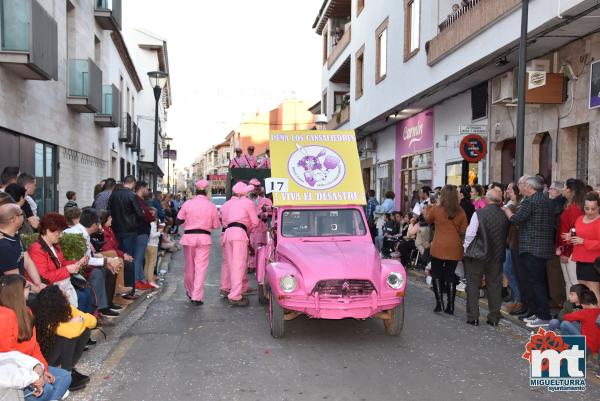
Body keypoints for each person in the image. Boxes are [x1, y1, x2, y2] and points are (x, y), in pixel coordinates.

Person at [0, 275, 72, 401]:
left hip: (33, 367)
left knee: (65, 376)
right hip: (16, 374)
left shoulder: (26, 312)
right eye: (27, 287)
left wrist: (42, 368)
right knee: (48, 389)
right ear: (17, 293)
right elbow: (9, 358)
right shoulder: (3, 316)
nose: (30, 289)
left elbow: (35, 346)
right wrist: (34, 375)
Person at [504, 175, 555, 328]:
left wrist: (507, 211)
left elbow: (516, 220)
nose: (522, 187)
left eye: (525, 185)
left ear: (531, 187)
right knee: (537, 282)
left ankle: (543, 315)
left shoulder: (531, 201)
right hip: (542, 247)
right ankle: (537, 312)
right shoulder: (546, 200)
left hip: (531, 248)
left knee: (535, 282)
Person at [30, 285, 96, 391]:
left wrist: (81, 319)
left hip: (57, 354)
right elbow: (70, 332)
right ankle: (66, 374)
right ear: (57, 301)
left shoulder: (66, 307)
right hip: (45, 360)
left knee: (85, 331)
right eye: (63, 293)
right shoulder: (44, 318)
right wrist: (77, 321)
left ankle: (69, 369)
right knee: (66, 338)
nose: (67, 294)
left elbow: (93, 322)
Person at [463, 187, 509, 326]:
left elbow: (470, 233)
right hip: (496, 255)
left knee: (473, 285)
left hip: (478, 254)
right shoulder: (504, 215)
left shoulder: (479, 213)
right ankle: (494, 317)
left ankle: (473, 317)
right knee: (494, 285)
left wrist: (466, 248)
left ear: (487, 199)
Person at [64, 208, 120, 320]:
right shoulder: (80, 234)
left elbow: (88, 257)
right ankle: (98, 311)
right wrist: (106, 261)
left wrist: (106, 262)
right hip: (73, 269)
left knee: (107, 270)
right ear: (95, 224)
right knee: (98, 273)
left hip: (79, 266)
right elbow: (86, 259)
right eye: (98, 222)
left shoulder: (82, 232)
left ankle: (106, 305)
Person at [27, 213, 88, 309]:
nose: (60, 235)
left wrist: (77, 262)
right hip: (47, 288)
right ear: (48, 230)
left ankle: (81, 322)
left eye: (61, 232)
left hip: (58, 284)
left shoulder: (55, 246)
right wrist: (67, 270)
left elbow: (61, 264)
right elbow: (44, 277)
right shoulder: (37, 249)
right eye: (58, 232)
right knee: (83, 296)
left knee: (86, 294)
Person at [424, 185, 468, 314]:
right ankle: (451, 306)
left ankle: (439, 304)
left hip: (438, 246)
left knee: (436, 274)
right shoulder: (461, 212)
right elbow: (463, 230)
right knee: (450, 275)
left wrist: (429, 206)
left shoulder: (437, 210)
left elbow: (427, 220)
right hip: (454, 247)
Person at [177, 180, 221, 305]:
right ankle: (197, 296)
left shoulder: (188, 203)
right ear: (207, 191)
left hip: (189, 237)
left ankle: (190, 292)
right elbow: (216, 225)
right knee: (201, 268)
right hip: (204, 238)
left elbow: (179, 220)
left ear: (195, 191)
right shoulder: (211, 206)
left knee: (189, 267)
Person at [221, 183, 259, 306]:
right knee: (239, 265)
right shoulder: (249, 203)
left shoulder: (234, 204)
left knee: (232, 264)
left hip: (228, 233)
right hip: (239, 233)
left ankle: (234, 290)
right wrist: (249, 229)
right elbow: (255, 222)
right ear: (248, 194)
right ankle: (235, 295)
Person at [108, 175, 145, 294]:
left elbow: (109, 210)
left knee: (119, 258)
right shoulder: (132, 196)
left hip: (116, 230)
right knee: (129, 259)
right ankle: (129, 288)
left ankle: (119, 287)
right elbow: (140, 214)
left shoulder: (113, 195)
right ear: (133, 183)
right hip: (130, 231)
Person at [568, 191, 600, 303]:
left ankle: (597, 318)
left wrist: (584, 241)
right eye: (587, 208)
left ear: (598, 207)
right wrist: (570, 237)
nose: (590, 212)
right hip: (580, 259)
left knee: (594, 291)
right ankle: (586, 317)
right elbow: (576, 233)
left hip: (594, 261)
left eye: (593, 209)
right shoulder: (579, 219)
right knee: (582, 290)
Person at [556, 178, 585, 298]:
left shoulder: (574, 208)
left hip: (572, 250)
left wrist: (566, 252)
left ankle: (574, 312)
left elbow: (573, 230)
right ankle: (570, 311)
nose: (562, 189)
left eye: (564, 187)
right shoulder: (573, 206)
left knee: (573, 283)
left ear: (570, 190)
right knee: (570, 283)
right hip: (570, 248)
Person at [561, 290, 600, 377]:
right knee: (576, 323)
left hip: (587, 345)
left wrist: (575, 313)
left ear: (583, 304)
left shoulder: (584, 312)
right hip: (597, 346)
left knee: (565, 324)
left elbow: (565, 317)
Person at [98, 210, 135, 300]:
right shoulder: (103, 232)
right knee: (126, 264)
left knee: (129, 264)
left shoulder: (109, 230)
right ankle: (122, 293)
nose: (112, 219)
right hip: (108, 255)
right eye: (110, 218)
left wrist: (124, 254)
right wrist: (123, 256)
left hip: (113, 253)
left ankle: (128, 293)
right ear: (105, 219)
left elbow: (115, 247)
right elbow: (109, 249)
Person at [133, 182, 155, 291]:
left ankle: (141, 279)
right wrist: (150, 216)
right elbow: (146, 216)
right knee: (138, 257)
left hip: (141, 231)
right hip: (141, 231)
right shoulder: (137, 200)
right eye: (146, 188)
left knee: (140, 257)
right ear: (141, 188)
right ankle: (137, 281)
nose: (148, 190)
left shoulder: (140, 200)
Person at [144, 208, 161, 289]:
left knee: (147, 263)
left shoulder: (147, 222)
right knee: (152, 264)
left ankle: (146, 279)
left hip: (147, 244)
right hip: (153, 245)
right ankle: (150, 281)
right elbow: (152, 235)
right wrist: (160, 232)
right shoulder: (153, 224)